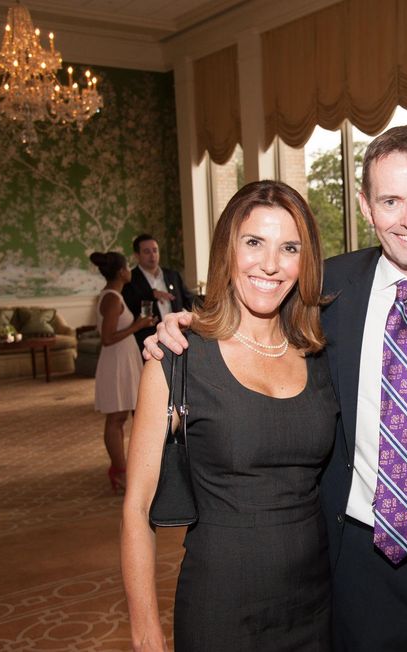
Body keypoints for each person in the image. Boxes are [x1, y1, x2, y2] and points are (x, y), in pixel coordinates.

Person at [147, 126, 407, 651]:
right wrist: (184, 326)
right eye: (391, 200)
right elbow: (251, 316)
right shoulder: (324, 291)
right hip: (355, 560)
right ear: (366, 206)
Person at [121, 181, 337, 651]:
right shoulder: (178, 357)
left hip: (316, 600)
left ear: (305, 262)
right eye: (254, 242)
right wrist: (145, 633)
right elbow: (137, 506)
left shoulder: (319, 352)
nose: (270, 264)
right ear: (227, 250)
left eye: (289, 248)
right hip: (221, 603)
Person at [88, 251, 154, 492]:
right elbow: (107, 338)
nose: (130, 270)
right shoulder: (112, 298)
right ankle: (119, 470)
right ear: (120, 272)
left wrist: (139, 324)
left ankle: (127, 468)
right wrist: (137, 325)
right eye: (127, 266)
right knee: (116, 419)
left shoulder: (115, 295)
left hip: (124, 359)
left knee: (124, 417)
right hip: (115, 362)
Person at [122, 233, 196, 347]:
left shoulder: (173, 275)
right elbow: (129, 307)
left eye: (155, 250)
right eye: (147, 251)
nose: (152, 255)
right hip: (146, 342)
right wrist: (151, 295)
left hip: (177, 338)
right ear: (137, 255)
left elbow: (189, 300)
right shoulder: (130, 279)